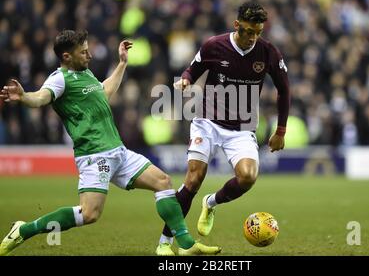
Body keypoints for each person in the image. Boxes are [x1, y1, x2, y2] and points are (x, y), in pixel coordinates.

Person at [0, 30, 221, 256]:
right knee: (89, 214)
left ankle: (185, 245)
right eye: (83, 52)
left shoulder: (86, 75)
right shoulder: (59, 79)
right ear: (67, 56)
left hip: (119, 152)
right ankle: (23, 230)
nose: (89, 55)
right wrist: (24, 96)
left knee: (163, 182)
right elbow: (40, 97)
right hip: (95, 156)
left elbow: (104, 91)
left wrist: (122, 63)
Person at [156, 2, 290, 256]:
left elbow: (285, 89)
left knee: (248, 177)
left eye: (258, 32)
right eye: (249, 31)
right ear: (237, 24)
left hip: (241, 128)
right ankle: (164, 242)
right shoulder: (214, 45)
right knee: (193, 178)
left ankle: (211, 202)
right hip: (207, 121)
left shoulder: (268, 52)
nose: (252, 37)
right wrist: (185, 80)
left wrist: (280, 130)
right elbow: (192, 69)